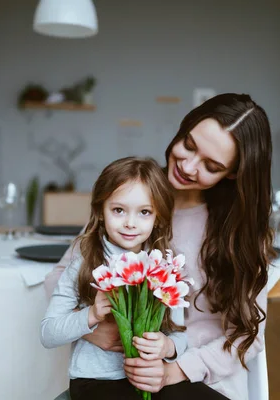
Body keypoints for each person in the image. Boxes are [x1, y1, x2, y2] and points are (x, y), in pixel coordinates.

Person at [45, 93, 274, 400]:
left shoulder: (240, 234)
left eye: (211, 165)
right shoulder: (131, 196)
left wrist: (174, 370)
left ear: (233, 173)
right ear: (184, 128)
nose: (188, 166)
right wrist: (91, 327)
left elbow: (247, 337)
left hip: (203, 381)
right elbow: (61, 277)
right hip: (119, 378)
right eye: (189, 145)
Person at [40, 157, 190, 400]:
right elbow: (47, 333)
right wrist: (91, 315)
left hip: (149, 379)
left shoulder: (164, 268)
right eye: (118, 210)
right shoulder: (83, 264)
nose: (130, 223)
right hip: (95, 382)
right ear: (100, 211)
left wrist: (167, 347)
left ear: (158, 217)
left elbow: (181, 335)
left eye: (144, 212)